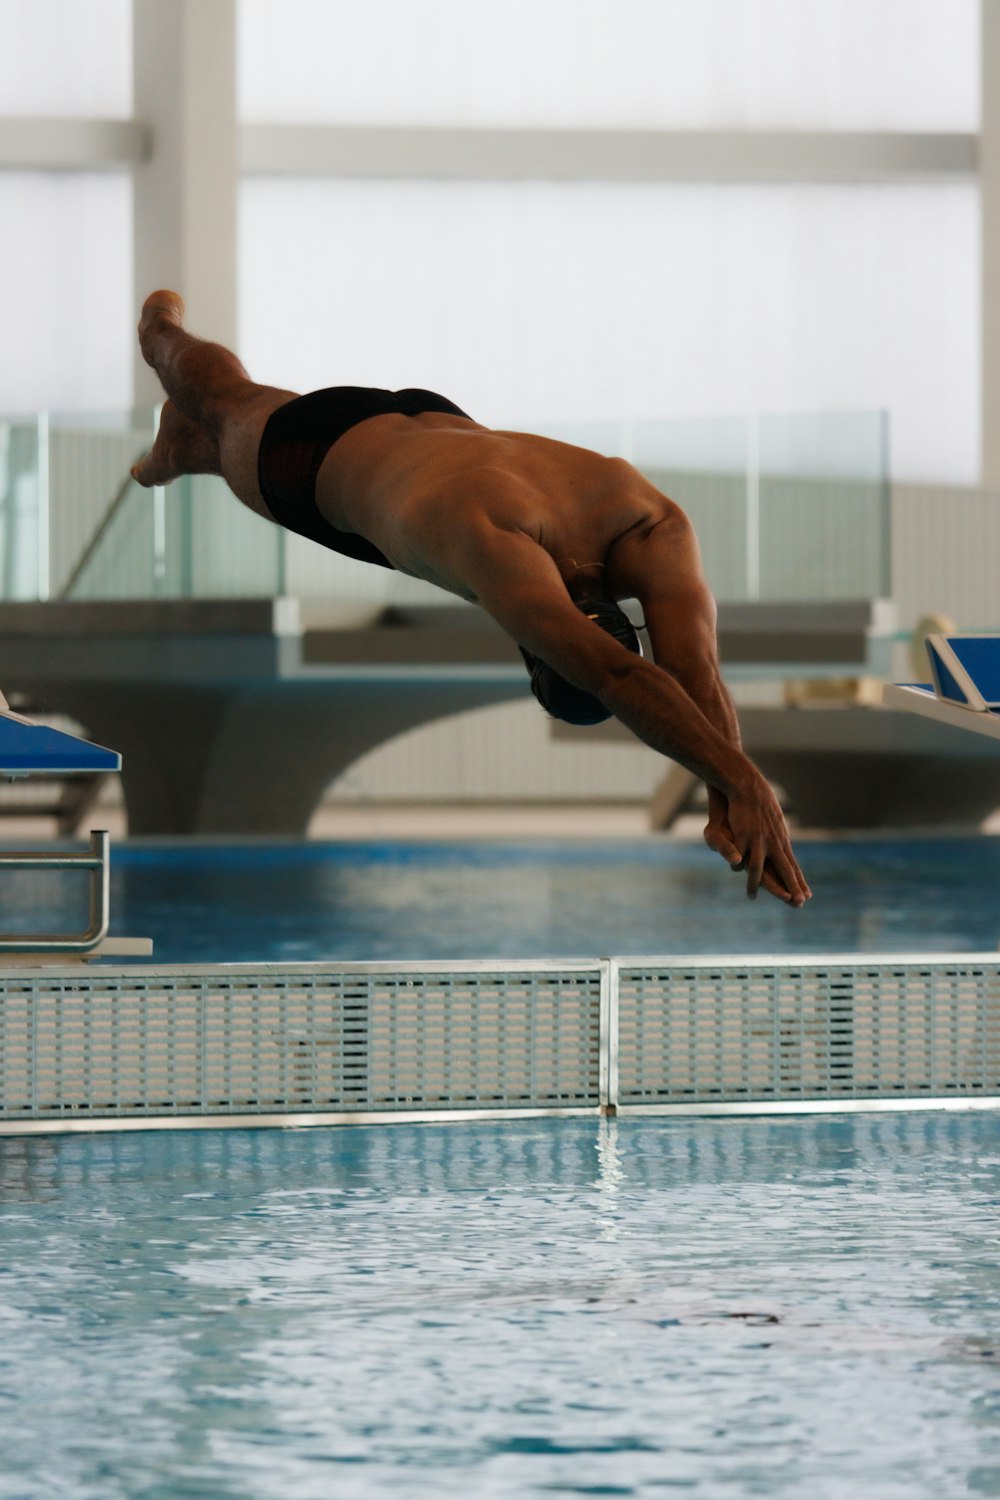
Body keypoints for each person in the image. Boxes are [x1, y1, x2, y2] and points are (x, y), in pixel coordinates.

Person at [132, 290, 811, 908]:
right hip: (320, 464)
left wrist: (733, 786)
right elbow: (620, 675)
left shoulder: (649, 520)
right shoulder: (497, 554)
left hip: (438, 426)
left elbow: (696, 675)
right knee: (225, 402)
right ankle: (161, 339)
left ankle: (181, 431)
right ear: (533, 654)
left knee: (234, 411)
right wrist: (742, 786)